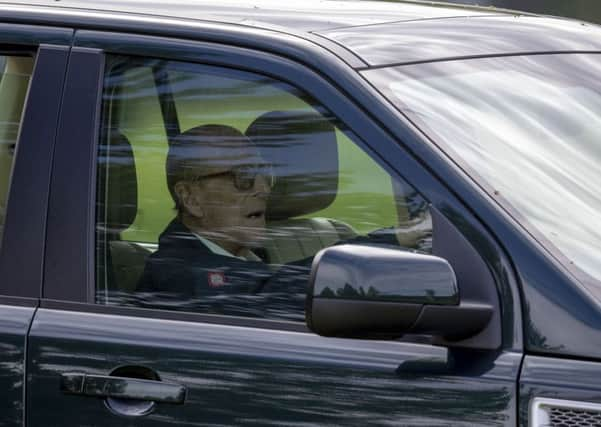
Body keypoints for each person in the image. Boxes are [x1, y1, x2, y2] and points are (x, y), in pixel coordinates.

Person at [136, 124, 277, 309]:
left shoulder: (246, 252)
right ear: (191, 199)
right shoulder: (178, 277)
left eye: (264, 172)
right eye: (244, 175)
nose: (264, 190)